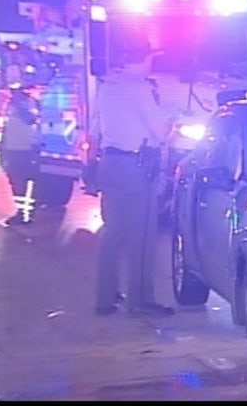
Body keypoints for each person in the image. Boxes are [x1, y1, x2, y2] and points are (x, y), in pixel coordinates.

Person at [90, 43, 175, 317]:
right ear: (146, 58)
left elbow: (95, 128)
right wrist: (171, 117)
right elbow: (161, 131)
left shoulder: (107, 85)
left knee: (112, 232)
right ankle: (140, 299)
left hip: (110, 164)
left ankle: (105, 296)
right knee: (143, 235)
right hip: (136, 168)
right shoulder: (140, 88)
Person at [0, 87, 41, 226]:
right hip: (16, 151)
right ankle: (23, 213)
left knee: (23, 184)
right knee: (18, 184)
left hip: (23, 152)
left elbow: (29, 122)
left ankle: (25, 214)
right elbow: (7, 133)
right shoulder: (17, 111)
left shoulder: (25, 110)